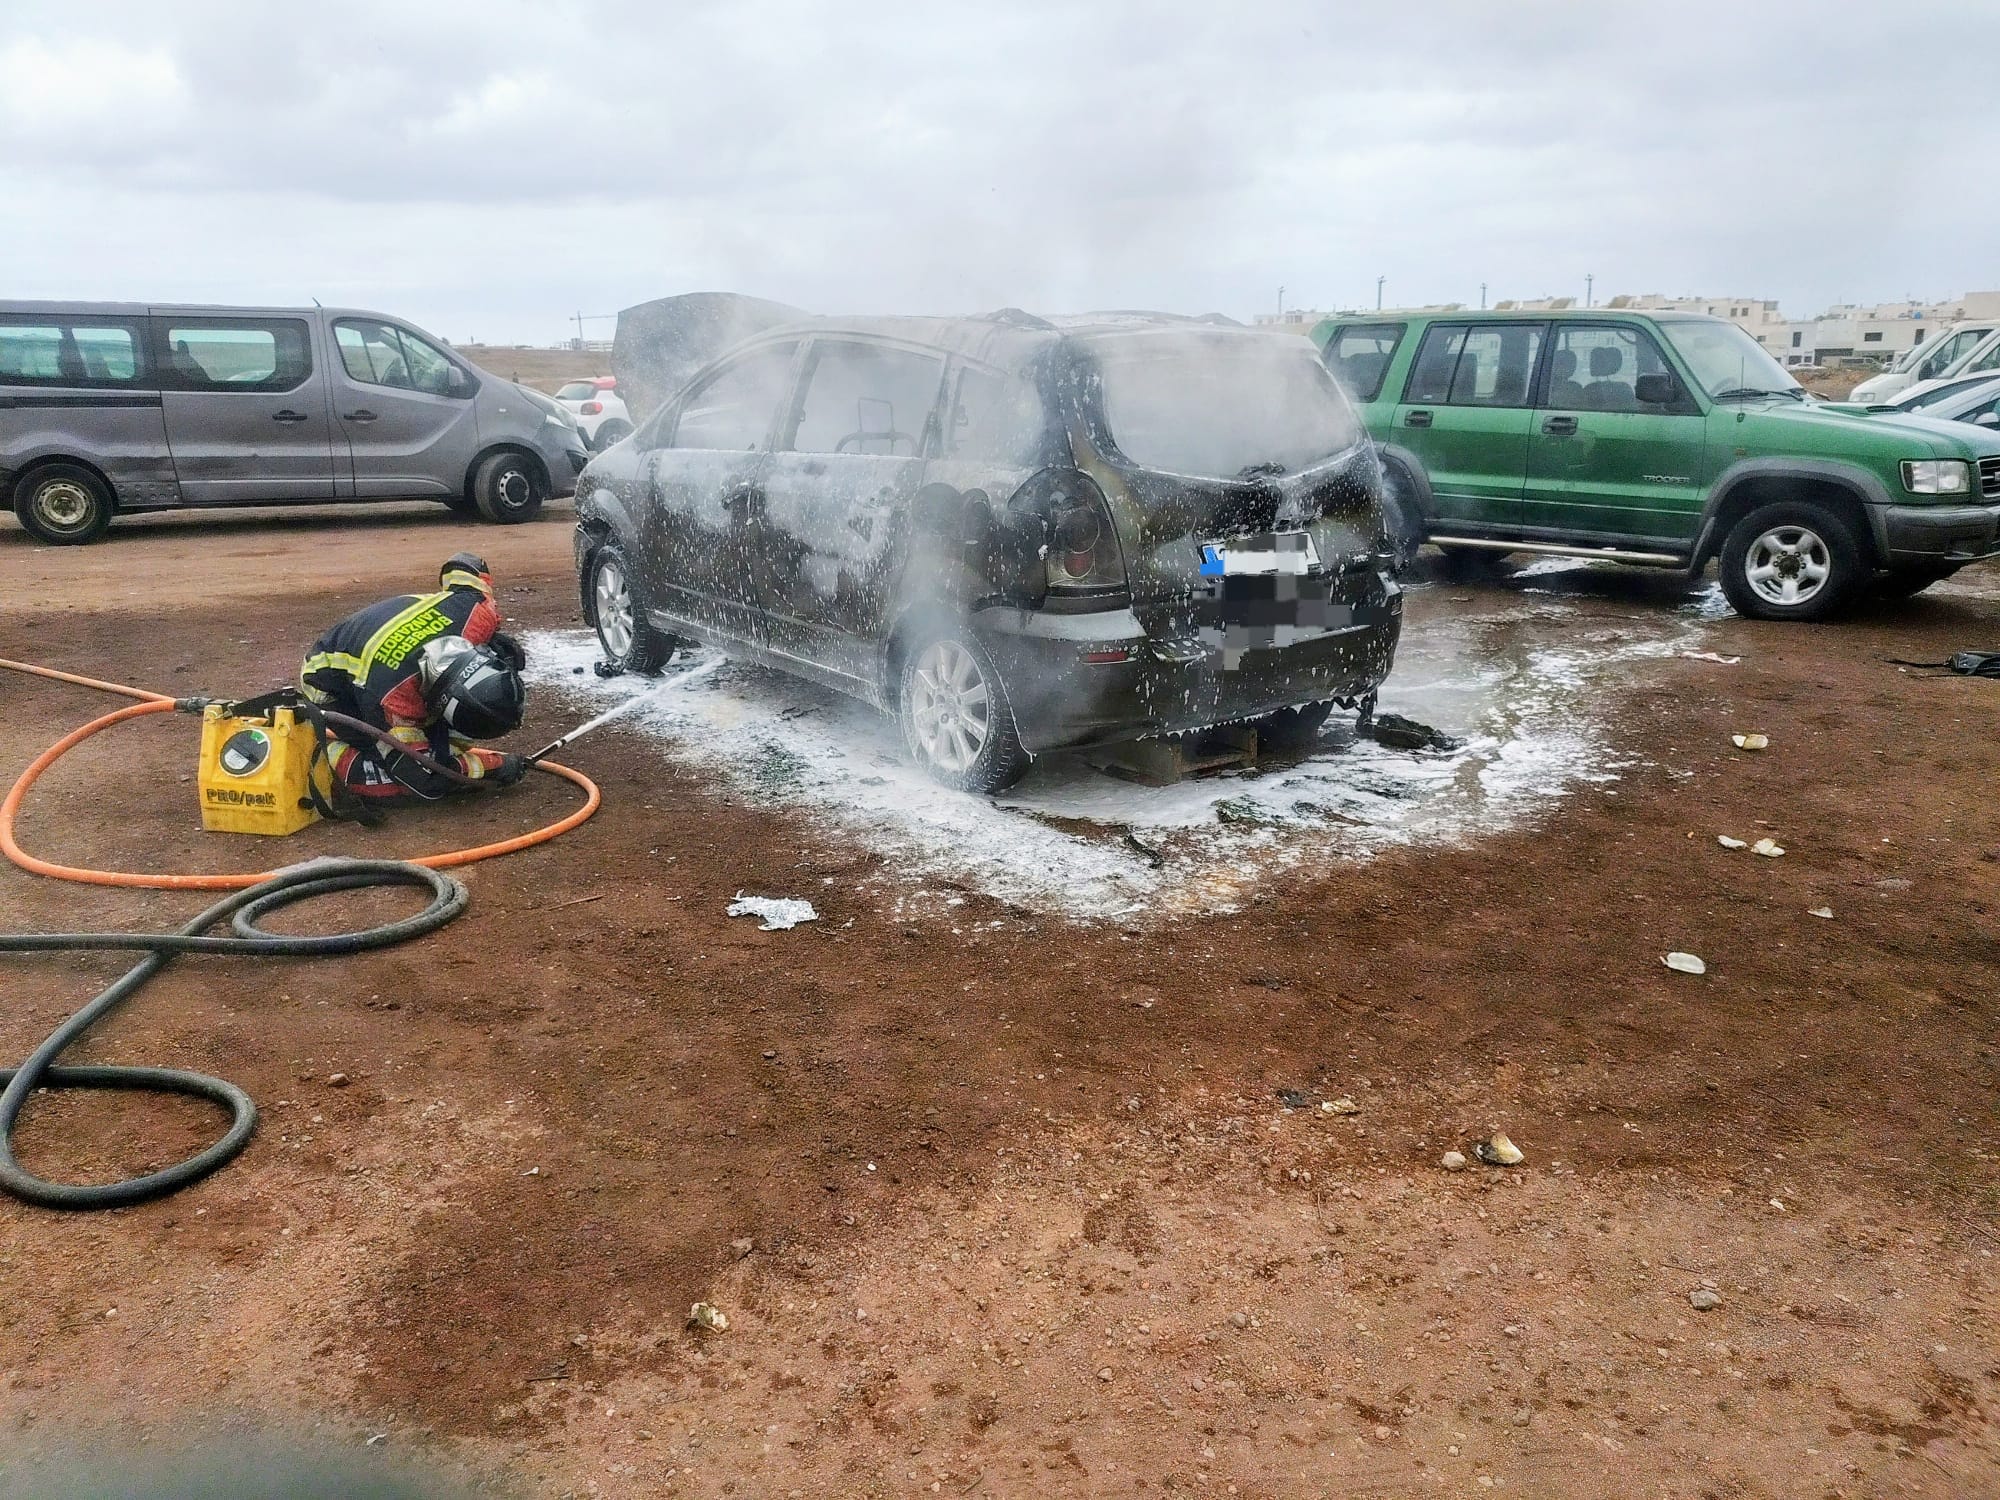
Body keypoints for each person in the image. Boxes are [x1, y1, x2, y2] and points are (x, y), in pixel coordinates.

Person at [300, 552, 530, 801]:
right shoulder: (394, 704)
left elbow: (464, 563)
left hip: (380, 654)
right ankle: (319, 759)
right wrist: (495, 766)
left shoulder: (476, 613)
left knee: (435, 744)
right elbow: (424, 777)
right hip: (330, 683)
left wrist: (491, 636)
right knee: (397, 779)